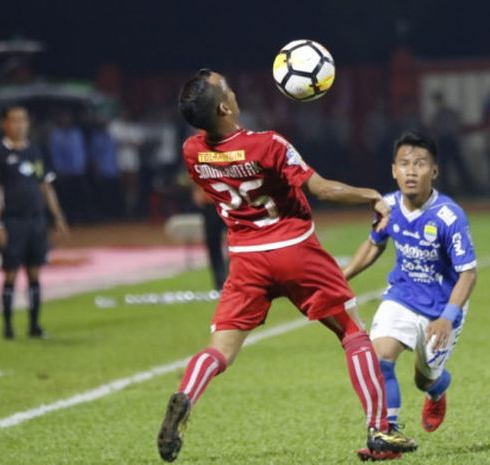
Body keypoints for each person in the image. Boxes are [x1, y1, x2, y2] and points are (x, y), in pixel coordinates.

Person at [157, 69, 418, 463]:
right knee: (352, 333)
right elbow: (322, 188)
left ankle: (185, 396)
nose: (233, 88)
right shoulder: (268, 144)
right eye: (227, 86)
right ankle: (380, 430)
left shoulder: (192, 151)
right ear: (225, 106)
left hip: (245, 259)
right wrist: (371, 196)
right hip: (295, 249)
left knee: (221, 349)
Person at [343, 131, 477, 436]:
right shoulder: (387, 206)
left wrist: (447, 317)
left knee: (424, 379)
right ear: (394, 170)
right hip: (401, 297)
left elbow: (468, 274)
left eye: (420, 164)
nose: (411, 171)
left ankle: (437, 392)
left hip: (443, 308)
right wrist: (341, 278)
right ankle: (387, 435)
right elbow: (374, 243)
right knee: (379, 361)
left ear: (434, 171)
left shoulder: (449, 216)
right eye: (404, 164)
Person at [0, 105, 69, 340]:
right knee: (10, 272)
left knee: (35, 272)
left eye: (23, 120)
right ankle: (8, 327)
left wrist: (57, 216)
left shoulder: (35, 151)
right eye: (14, 120)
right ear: (4, 124)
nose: (20, 125)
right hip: (12, 221)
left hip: (36, 220)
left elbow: (45, 186)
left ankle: (34, 325)